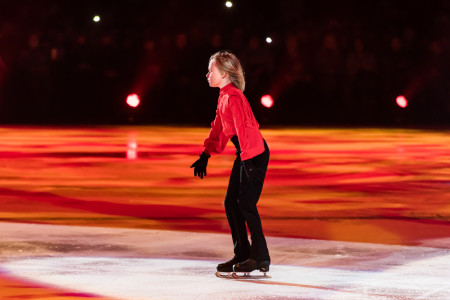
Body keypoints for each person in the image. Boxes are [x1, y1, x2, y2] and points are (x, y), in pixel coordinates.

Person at [190, 50, 270, 274]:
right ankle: (243, 253)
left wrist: (248, 160)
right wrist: (205, 154)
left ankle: (261, 257)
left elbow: (246, 129)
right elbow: (218, 127)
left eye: (211, 70)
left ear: (224, 73)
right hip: (245, 152)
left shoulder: (234, 96)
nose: (207, 74)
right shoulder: (224, 95)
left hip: (253, 152)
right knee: (230, 202)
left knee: (245, 203)